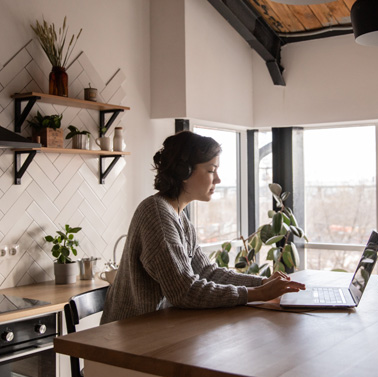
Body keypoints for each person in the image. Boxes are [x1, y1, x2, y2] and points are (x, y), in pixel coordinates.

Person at [100, 131, 305, 324]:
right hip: (125, 340)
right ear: (184, 172)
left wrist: (263, 283)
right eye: (211, 170)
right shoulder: (157, 215)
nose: (218, 179)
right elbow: (184, 291)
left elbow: (207, 272)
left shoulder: (178, 217)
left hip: (157, 329)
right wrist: (257, 294)